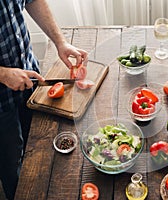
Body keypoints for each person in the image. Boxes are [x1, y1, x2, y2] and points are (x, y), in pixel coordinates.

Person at [0, 0, 88, 199]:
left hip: (29, 78)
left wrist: (60, 42)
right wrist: (3, 74)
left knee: (38, 147)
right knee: (10, 161)